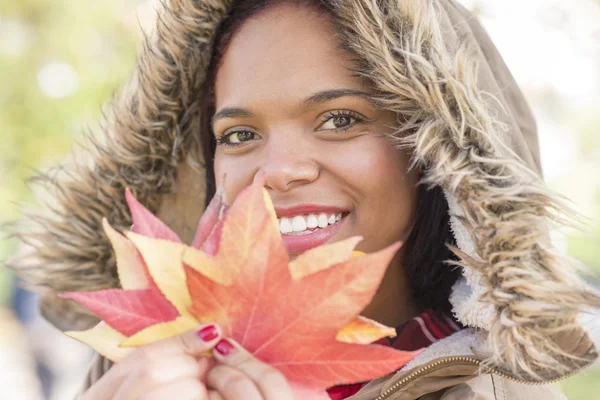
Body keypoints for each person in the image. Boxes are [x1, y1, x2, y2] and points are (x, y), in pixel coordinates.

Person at [8, 0, 599, 399]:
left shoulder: (490, 389)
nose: (277, 171)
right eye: (239, 134)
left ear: (437, 152)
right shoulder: (145, 355)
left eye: (339, 119)